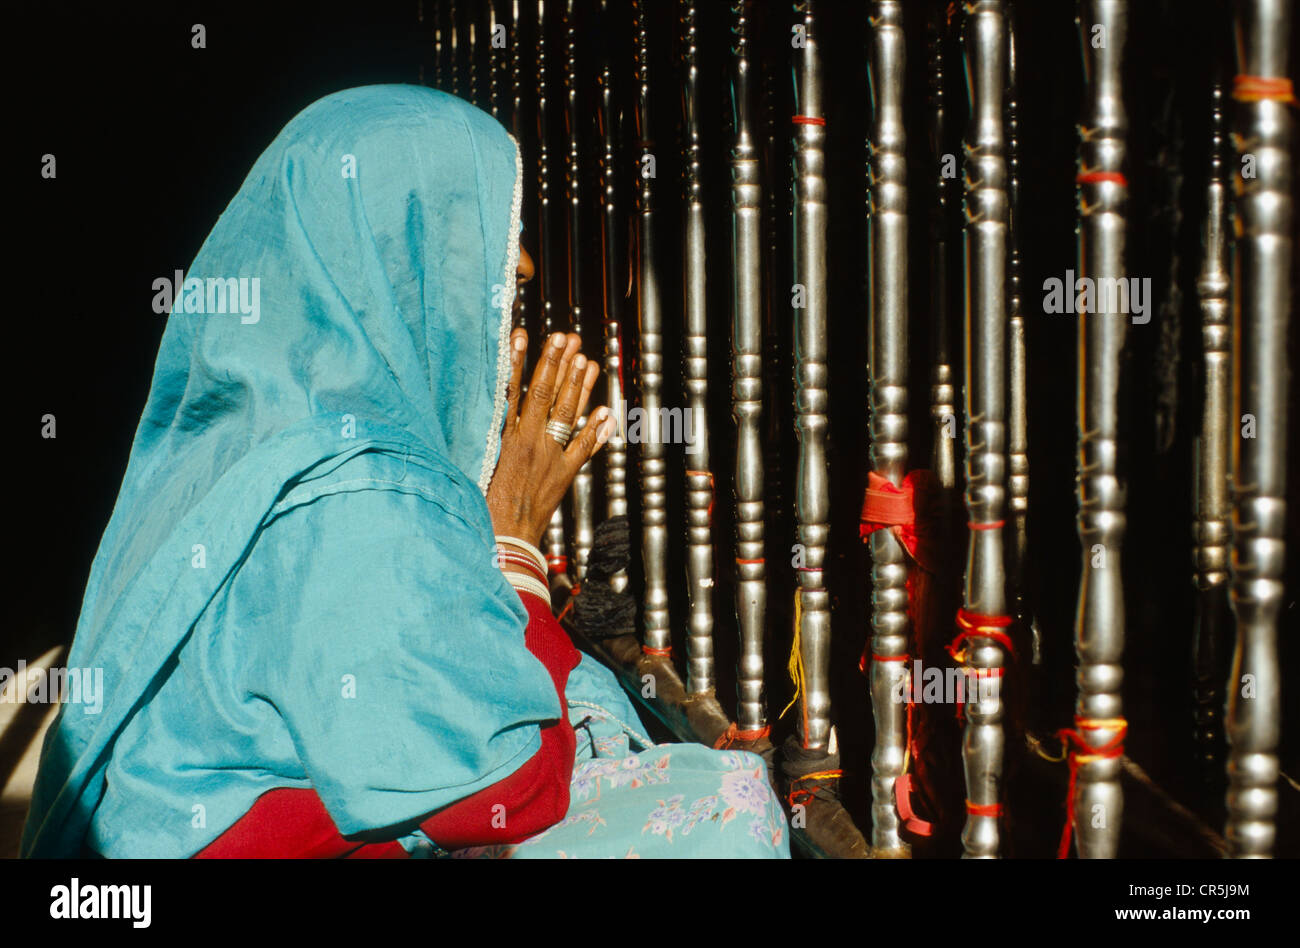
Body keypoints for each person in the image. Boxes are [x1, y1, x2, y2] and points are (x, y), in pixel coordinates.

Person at [22, 85, 789, 859]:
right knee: (723, 813)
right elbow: (505, 789)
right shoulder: (359, 493)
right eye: (480, 232)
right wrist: (515, 541)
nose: (521, 265)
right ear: (394, 254)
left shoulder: (239, 440)